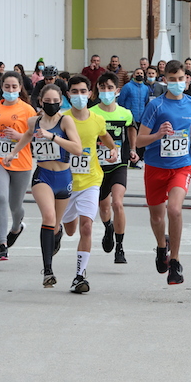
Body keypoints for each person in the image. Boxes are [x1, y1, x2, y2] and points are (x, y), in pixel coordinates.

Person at [3, 83, 82, 289]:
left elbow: (78, 149)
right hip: (43, 176)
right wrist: (13, 153)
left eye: (56, 102)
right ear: (41, 102)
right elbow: (28, 136)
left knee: (55, 225)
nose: (52, 105)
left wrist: (53, 136)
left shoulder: (66, 122)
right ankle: (48, 271)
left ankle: (57, 234)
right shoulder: (34, 121)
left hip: (64, 177)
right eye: (48, 102)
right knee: (48, 217)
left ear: (61, 102)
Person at [137, 60, 191, 285]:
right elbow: (138, 140)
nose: (176, 83)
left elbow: (190, 121)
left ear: (187, 79)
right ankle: (161, 247)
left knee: (174, 209)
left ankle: (175, 261)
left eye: (180, 79)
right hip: (155, 166)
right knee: (157, 216)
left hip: (181, 165)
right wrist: (157, 135)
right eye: (172, 79)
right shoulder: (156, 106)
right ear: (164, 80)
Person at [58, 75, 117, 293]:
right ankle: (59, 230)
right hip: (66, 181)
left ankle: (80, 276)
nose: (80, 96)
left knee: (86, 226)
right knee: (71, 229)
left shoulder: (97, 119)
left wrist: (113, 149)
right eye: (75, 92)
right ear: (68, 95)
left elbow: (106, 137)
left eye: (83, 91)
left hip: (92, 180)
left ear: (90, 94)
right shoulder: (62, 119)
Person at [0, 70, 35, 261]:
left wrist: (19, 136)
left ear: (20, 88)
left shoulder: (28, 110)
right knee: (1, 198)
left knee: (15, 206)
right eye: (7, 86)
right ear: (2, 87)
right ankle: (2, 244)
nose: (10, 90)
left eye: (14, 87)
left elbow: (36, 137)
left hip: (21, 162)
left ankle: (16, 227)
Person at [91, 72, 136, 264]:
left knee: (117, 203)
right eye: (102, 88)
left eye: (110, 88)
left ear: (117, 91)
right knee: (104, 206)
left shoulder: (124, 113)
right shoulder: (92, 112)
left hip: (119, 164)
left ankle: (120, 247)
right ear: (98, 90)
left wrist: (133, 149)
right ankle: (108, 227)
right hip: (98, 166)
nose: (106, 91)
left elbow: (132, 128)